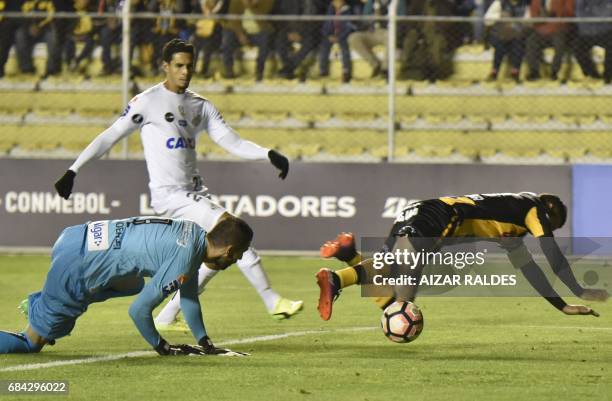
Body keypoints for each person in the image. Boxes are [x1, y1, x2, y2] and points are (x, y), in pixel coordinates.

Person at [52, 39, 303, 329]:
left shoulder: (200, 106)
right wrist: (73, 170)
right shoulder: (147, 101)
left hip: (194, 192)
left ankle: (167, 315)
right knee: (234, 233)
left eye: (189, 66)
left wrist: (267, 154)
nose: (185, 72)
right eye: (179, 66)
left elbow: (230, 141)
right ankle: (272, 301)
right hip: (170, 195)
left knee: (212, 254)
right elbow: (110, 136)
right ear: (166, 67)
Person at [316, 192, 609, 321]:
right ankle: (337, 277)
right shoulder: (534, 210)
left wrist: (561, 306)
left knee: (389, 293)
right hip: (440, 216)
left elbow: (530, 269)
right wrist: (580, 290)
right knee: (400, 295)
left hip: (422, 210)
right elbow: (553, 256)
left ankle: (347, 258)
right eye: (550, 227)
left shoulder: (509, 223)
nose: (544, 231)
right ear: (550, 216)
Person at [0, 215, 253, 355]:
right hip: (77, 265)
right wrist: (161, 346)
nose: (238, 260)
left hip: (78, 235)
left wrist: (204, 340)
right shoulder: (184, 262)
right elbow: (138, 311)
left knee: (133, 284)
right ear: (229, 251)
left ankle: (48, 301)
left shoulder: (194, 233)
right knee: (31, 344)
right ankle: (49, 303)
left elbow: (187, 297)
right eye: (239, 255)